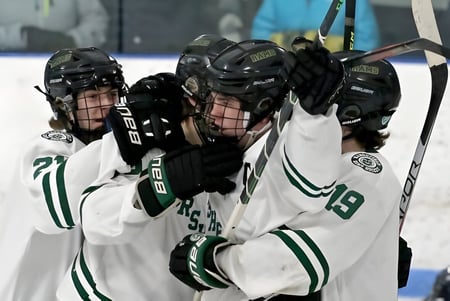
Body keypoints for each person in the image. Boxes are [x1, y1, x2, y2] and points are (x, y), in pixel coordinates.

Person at [168, 46, 404, 300]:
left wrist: (217, 261)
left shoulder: (366, 174)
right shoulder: (293, 161)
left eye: (320, 103)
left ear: (348, 116)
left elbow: (298, 262)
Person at [53, 34, 243, 300]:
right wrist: (164, 183)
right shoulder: (143, 139)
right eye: (222, 97)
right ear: (193, 98)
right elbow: (94, 217)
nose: (231, 109)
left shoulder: (239, 152)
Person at [0, 47, 126, 300]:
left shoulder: (106, 151)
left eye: (112, 94)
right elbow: (59, 205)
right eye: (92, 97)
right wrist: (128, 141)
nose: (107, 105)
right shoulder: (46, 148)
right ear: (62, 103)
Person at [251, 0, 380, 52]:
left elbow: (366, 42)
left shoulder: (355, 2)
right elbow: (260, 32)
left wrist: (335, 48)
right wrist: (284, 42)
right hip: (284, 73)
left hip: (332, 76)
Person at [0, 0, 108, 52]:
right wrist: (20, 36)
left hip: (68, 64)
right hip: (6, 65)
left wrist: (73, 40)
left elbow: (97, 18)